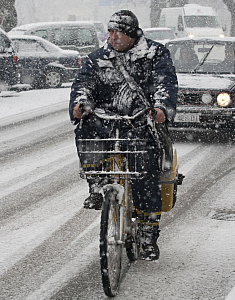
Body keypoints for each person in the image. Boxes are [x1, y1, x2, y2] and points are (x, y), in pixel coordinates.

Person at [69, 10, 178, 261]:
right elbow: (83, 84)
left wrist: (161, 108)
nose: (113, 37)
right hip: (104, 120)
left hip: (139, 120)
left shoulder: (155, 54)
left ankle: (148, 234)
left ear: (132, 34)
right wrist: (81, 103)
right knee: (86, 132)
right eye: (110, 32)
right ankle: (96, 184)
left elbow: (165, 83)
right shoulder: (98, 58)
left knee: (145, 173)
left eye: (118, 32)